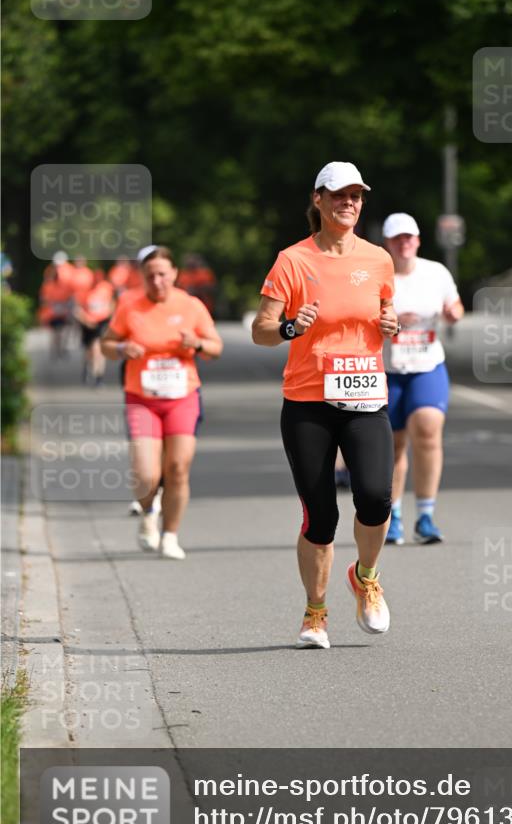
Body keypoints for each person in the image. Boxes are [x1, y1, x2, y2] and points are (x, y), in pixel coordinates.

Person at [252, 161, 399, 649]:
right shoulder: (293, 260)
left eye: (356, 195)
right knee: (320, 516)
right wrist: (293, 327)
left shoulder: (378, 259)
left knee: (377, 497)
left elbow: (383, 309)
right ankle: (316, 614)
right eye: (338, 195)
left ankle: (366, 576)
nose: (349, 203)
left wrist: (389, 324)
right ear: (318, 200)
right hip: (307, 401)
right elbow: (261, 330)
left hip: (364, 396)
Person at [101, 246, 223, 559]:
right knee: (146, 475)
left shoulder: (191, 305)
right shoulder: (130, 305)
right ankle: (147, 515)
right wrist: (121, 348)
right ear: (142, 277)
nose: (157, 281)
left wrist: (195, 343)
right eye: (150, 275)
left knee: (178, 468)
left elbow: (215, 348)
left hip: (182, 397)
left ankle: (170, 535)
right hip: (142, 399)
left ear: (174, 275)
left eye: (163, 275)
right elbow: (106, 344)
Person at [382, 213, 463, 545]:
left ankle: (426, 516)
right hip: (387, 369)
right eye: (398, 238)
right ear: (387, 243)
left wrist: (453, 313)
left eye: (410, 237)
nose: (405, 243)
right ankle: (395, 515)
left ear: (418, 240)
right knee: (393, 445)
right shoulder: (377, 274)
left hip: (427, 365)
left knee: (428, 431)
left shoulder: (435, 272)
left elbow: (454, 304)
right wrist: (392, 319)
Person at [74, 270, 115, 386]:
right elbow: (77, 310)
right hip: (88, 323)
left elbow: (112, 303)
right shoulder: (84, 291)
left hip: (102, 322)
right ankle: (86, 368)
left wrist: (111, 317)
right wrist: (85, 321)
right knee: (89, 351)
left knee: (98, 349)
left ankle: (99, 376)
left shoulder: (106, 288)